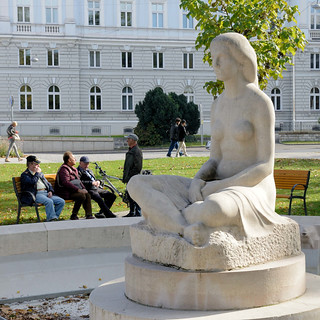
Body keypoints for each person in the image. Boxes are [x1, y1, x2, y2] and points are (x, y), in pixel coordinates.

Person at [127, 32, 288, 246]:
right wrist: (197, 181)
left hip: (251, 188)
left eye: (221, 57)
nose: (215, 63)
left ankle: (170, 215)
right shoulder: (217, 105)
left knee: (215, 209)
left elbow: (265, 166)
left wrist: (217, 188)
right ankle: (184, 228)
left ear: (241, 59)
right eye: (213, 58)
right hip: (212, 186)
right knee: (136, 183)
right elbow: (215, 159)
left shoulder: (260, 103)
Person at [20, 155, 65, 221]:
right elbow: (32, 182)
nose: (38, 166)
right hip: (36, 194)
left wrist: (50, 191)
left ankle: (54, 217)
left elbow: (48, 184)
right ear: (30, 164)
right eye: (36, 164)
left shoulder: (39, 174)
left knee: (61, 201)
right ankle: (52, 219)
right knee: (49, 202)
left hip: (46, 193)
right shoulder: (25, 175)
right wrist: (37, 174)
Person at [55, 151, 93, 220]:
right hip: (64, 192)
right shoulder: (64, 169)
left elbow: (79, 181)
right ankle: (74, 215)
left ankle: (89, 214)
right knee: (81, 196)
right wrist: (78, 190)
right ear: (69, 160)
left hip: (72, 191)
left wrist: (83, 189)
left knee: (87, 194)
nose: (75, 159)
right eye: (74, 158)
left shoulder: (74, 169)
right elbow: (65, 182)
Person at [123, 133, 143, 217]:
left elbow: (138, 167)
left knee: (135, 195)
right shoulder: (131, 150)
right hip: (130, 177)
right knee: (130, 195)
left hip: (134, 178)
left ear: (133, 140)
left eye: (128, 139)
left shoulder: (136, 151)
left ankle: (137, 212)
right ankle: (132, 212)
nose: (127, 140)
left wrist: (130, 176)